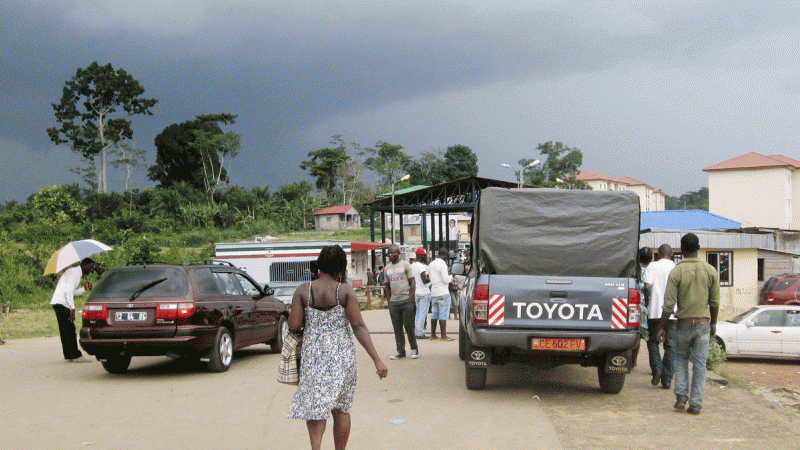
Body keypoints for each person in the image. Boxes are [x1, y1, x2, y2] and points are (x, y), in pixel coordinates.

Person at [287, 245, 388, 450]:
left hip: (313, 358)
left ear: (320, 263)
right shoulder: (345, 291)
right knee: (341, 409)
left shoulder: (303, 291)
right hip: (342, 358)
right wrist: (377, 359)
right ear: (341, 268)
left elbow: (294, 326)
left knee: (316, 408)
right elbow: (358, 326)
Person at [657, 233, 720, 415]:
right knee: (700, 364)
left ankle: (681, 398)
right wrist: (713, 323)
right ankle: (696, 404)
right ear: (698, 248)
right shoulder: (710, 271)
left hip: (683, 324)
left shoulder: (676, 271)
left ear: (681, 250)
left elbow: (669, 304)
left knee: (681, 360)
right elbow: (715, 302)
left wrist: (662, 326)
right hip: (703, 324)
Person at [50, 258, 95, 362]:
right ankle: (75, 355)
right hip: (62, 303)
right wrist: (72, 307)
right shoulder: (74, 273)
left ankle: (69, 355)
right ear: (85, 265)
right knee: (70, 330)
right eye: (91, 267)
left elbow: (73, 292)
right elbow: (68, 292)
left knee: (65, 330)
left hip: (59, 302)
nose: (91, 270)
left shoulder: (74, 272)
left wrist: (84, 289)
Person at [644, 244, 677, 389]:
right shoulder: (676, 267)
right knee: (670, 346)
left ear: (659, 254)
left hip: (655, 311)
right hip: (673, 313)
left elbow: (647, 286)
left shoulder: (652, 266)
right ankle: (667, 379)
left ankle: (657, 369)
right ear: (671, 255)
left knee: (653, 341)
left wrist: (650, 300)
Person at [384, 244, 418, 359]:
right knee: (397, 328)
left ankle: (414, 349)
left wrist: (411, 298)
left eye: (392, 252)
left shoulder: (405, 265)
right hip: (394, 303)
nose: (390, 255)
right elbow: (387, 286)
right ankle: (400, 351)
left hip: (406, 301)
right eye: (389, 253)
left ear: (398, 253)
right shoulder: (387, 268)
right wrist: (389, 301)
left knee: (409, 326)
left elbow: (412, 282)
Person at [428, 248, 453, 341]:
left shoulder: (431, 264)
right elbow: (446, 279)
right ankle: (443, 336)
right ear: (445, 256)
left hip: (433, 292)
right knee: (443, 314)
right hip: (443, 292)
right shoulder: (442, 264)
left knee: (434, 313)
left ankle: (433, 335)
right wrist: (451, 277)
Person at [411, 247, 431, 339]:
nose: (425, 257)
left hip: (416, 292)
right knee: (422, 314)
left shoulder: (412, 266)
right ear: (419, 256)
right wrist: (432, 279)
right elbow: (425, 280)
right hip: (424, 292)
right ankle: (419, 333)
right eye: (424, 256)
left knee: (417, 314)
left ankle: (416, 332)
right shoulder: (421, 267)